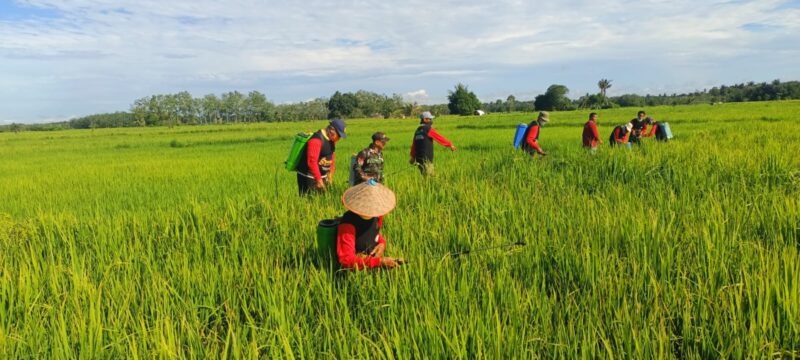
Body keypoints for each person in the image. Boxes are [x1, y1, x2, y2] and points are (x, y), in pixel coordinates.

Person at [336, 180, 405, 270]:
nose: (372, 211)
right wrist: (379, 262)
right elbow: (346, 260)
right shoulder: (348, 224)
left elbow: (374, 233)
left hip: (370, 263)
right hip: (355, 270)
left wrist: (382, 244)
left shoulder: (378, 215)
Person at [296, 118, 346, 195]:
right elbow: (311, 162)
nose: (339, 138)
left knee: (322, 201)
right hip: (309, 177)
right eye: (338, 135)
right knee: (309, 202)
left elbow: (332, 156)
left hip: (322, 176)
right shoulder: (316, 140)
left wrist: (330, 174)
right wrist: (318, 180)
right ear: (332, 131)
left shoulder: (332, 140)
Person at [410, 111, 456, 175]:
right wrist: (450, 144)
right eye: (430, 119)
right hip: (426, 159)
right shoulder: (428, 129)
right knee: (431, 178)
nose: (431, 121)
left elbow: (414, 145)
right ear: (425, 119)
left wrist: (412, 157)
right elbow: (439, 138)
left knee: (424, 177)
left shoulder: (418, 130)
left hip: (418, 159)